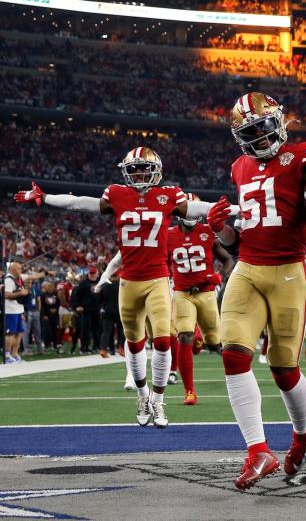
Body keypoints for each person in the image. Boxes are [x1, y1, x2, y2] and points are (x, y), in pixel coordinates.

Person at [15, 147, 222, 428]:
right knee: (135, 344)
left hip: (159, 278)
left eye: (143, 169)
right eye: (133, 169)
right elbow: (80, 203)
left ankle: (158, 401)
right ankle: (142, 394)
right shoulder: (117, 194)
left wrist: (236, 206)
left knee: (162, 341)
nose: (138, 174)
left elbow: (196, 209)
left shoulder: (169, 195)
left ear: (155, 171)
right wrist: (45, 197)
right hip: (129, 281)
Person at [204, 92, 306, 490]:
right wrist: (219, 229)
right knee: (232, 351)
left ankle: (302, 432)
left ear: (278, 122)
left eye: (264, 128)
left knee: (283, 368)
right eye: (251, 133)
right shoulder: (239, 167)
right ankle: (258, 450)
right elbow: (236, 235)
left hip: (288, 270)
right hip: (248, 267)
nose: (261, 139)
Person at [166, 196, 235, 404]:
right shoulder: (168, 236)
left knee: (215, 342)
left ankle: (236, 377)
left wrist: (219, 276)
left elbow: (228, 259)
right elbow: (160, 261)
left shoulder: (207, 232)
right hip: (182, 293)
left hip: (206, 294)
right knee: (184, 335)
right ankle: (189, 391)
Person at [71, 267, 102, 354]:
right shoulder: (83, 283)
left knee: (97, 329)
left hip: (97, 309)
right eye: (91, 273)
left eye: (93, 273)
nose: (92, 275)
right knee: (85, 330)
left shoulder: (101, 282)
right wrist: (77, 306)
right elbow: (76, 296)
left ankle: (97, 346)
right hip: (86, 310)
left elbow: (104, 294)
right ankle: (84, 348)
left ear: (97, 273)